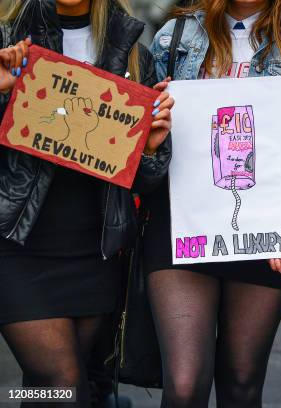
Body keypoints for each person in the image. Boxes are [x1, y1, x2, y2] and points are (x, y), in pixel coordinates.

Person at [145, 0, 281, 406]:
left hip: (264, 233)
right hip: (183, 227)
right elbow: (150, 149)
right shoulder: (173, 38)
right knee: (183, 385)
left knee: (242, 383)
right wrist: (154, 124)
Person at [0, 0, 173, 407]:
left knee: (48, 389)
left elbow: (148, 181)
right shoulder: (7, 40)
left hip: (95, 251)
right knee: (65, 382)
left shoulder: (134, 53)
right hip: (16, 246)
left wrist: (149, 149)